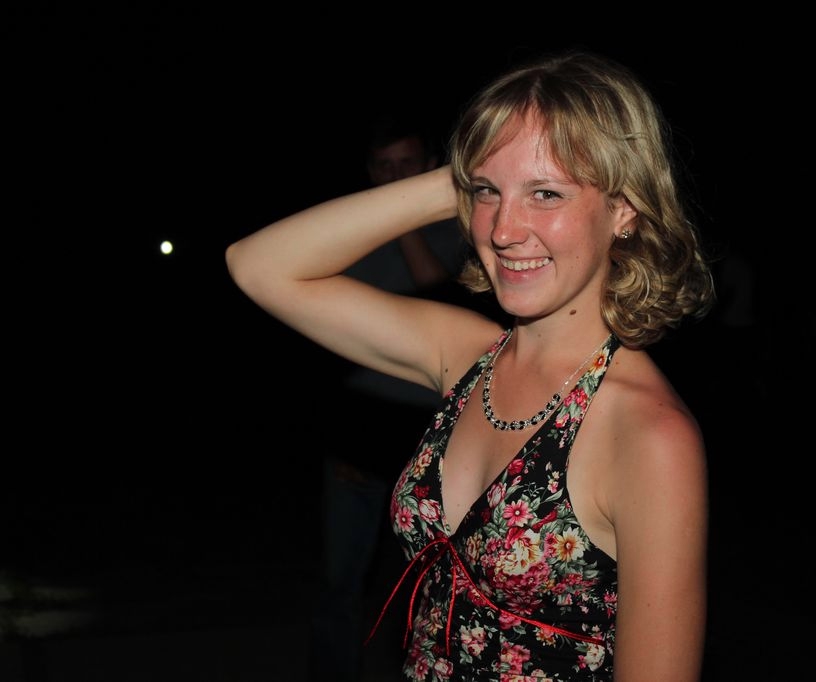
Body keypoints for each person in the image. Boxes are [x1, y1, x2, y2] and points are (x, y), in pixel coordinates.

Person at [227, 49, 714, 681]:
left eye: (546, 193)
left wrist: (491, 171)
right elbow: (258, 265)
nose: (503, 230)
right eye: (487, 192)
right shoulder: (468, 356)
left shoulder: (650, 436)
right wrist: (460, 175)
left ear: (623, 208)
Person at [308, 109, 469, 681]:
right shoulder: (351, 238)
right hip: (359, 428)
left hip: (430, 436)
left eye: (408, 164)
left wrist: (406, 221)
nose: (397, 176)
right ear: (369, 171)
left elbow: (440, 299)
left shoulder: (466, 233)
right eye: (385, 166)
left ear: (432, 167)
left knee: (434, 585)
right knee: (340, 581)